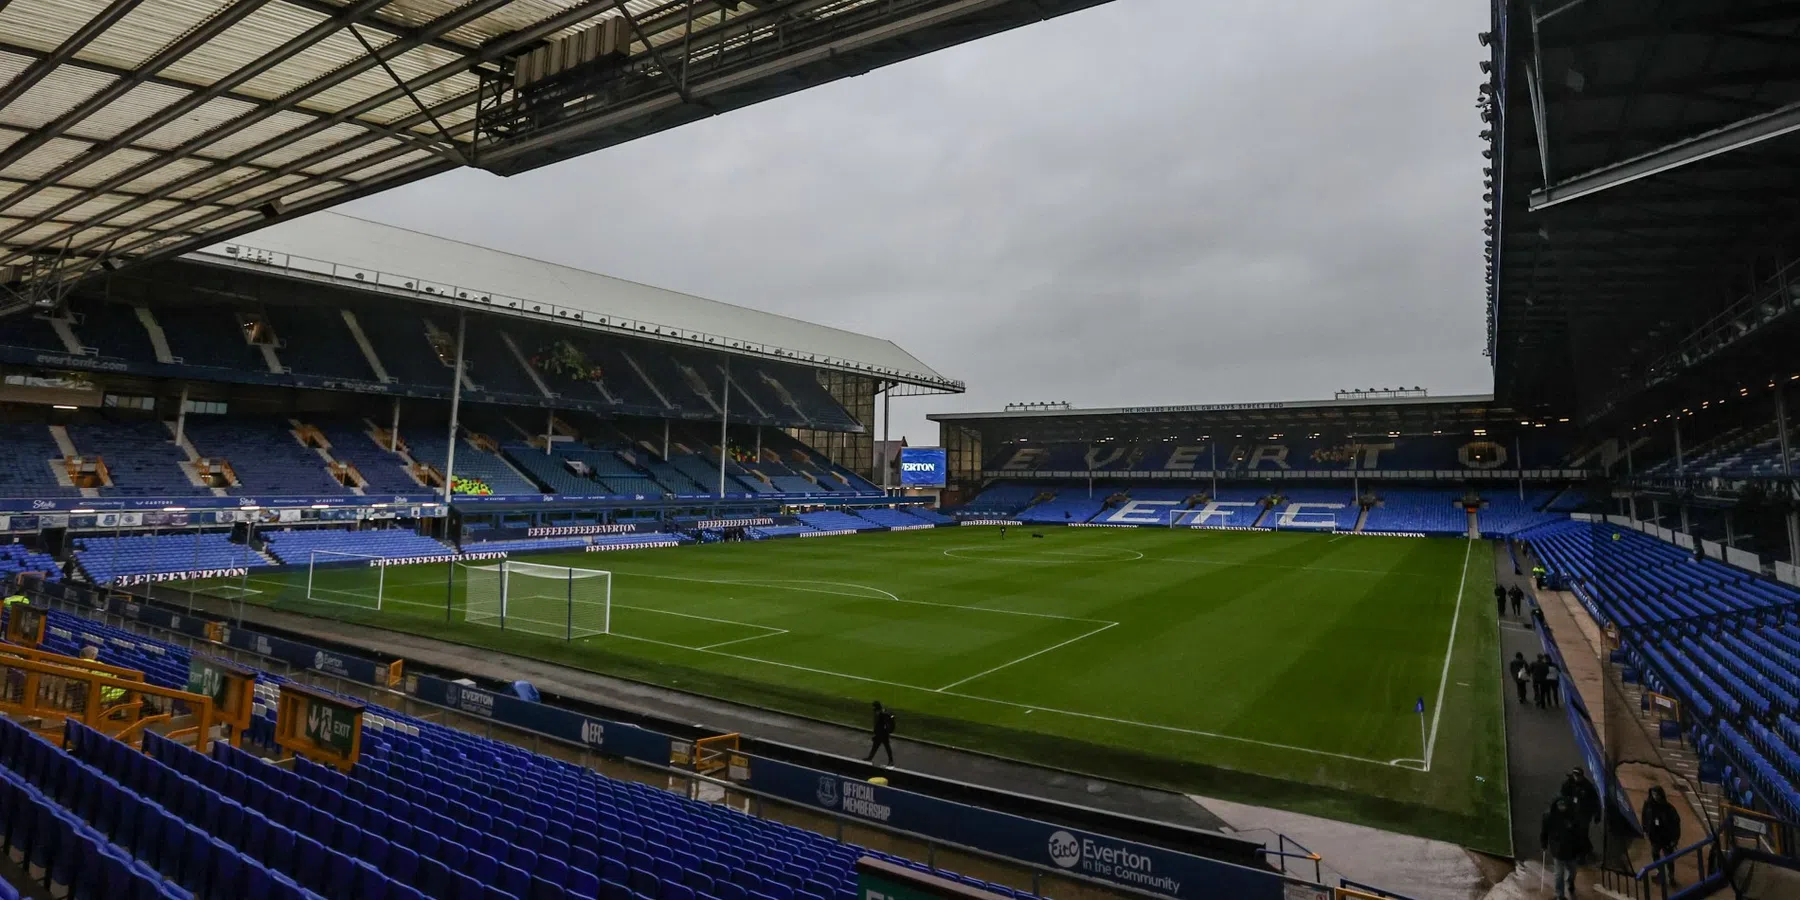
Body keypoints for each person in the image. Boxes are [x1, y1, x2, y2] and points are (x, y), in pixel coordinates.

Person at [1541, 794, 1590, 900]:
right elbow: (1544, 832)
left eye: (1563, 805)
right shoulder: (1549, 817)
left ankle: (1570, 882)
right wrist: (1543, 843)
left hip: (1572, 852)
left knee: (1572, 872)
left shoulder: (1573, 817)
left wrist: (1582, 848)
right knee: (1559, 874)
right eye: (1560, 805)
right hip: (1558, 852)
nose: (1562, 807)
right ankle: (1560, 895)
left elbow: (1579, 834)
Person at [1641, 785, 1681, 886]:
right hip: (1655, 837)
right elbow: (1644, 817)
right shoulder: (1648, 805)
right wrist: (1645, 829)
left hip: (1667, 838)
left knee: (1669, 858)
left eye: (1657, 794)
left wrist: (1675, 839)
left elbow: (1676, 824)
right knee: (1655, 853)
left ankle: (1671, 876)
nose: (1655, 796)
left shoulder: (1669, 808)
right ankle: (1660, 872)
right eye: (1653, 794)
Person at [865, 701, 896, 766]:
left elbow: (882, 724)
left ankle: (891, 761)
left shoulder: (881, 714)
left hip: (882, 734)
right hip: (880, 733)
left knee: (885, 747)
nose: (872, 708)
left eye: (873, 706)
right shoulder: (879, 713)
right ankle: (870, 758)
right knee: (876, 746)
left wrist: (881, 732)